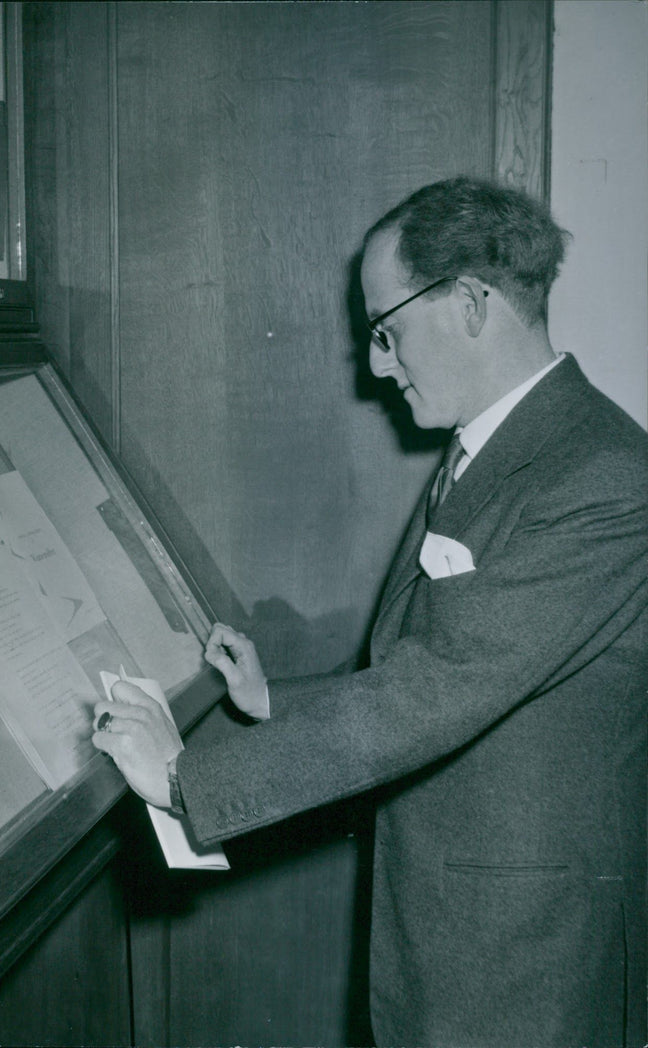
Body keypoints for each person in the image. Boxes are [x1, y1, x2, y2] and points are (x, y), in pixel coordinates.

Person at [92, 176, 648, 1047]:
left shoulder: (604, 477)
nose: (376, 364)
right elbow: (450, 662)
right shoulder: (490, 445)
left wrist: (184, 782)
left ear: (470, 302)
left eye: (387, 332)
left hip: (528, 959)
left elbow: (437, 688)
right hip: (458, 933)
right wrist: (280, 700)